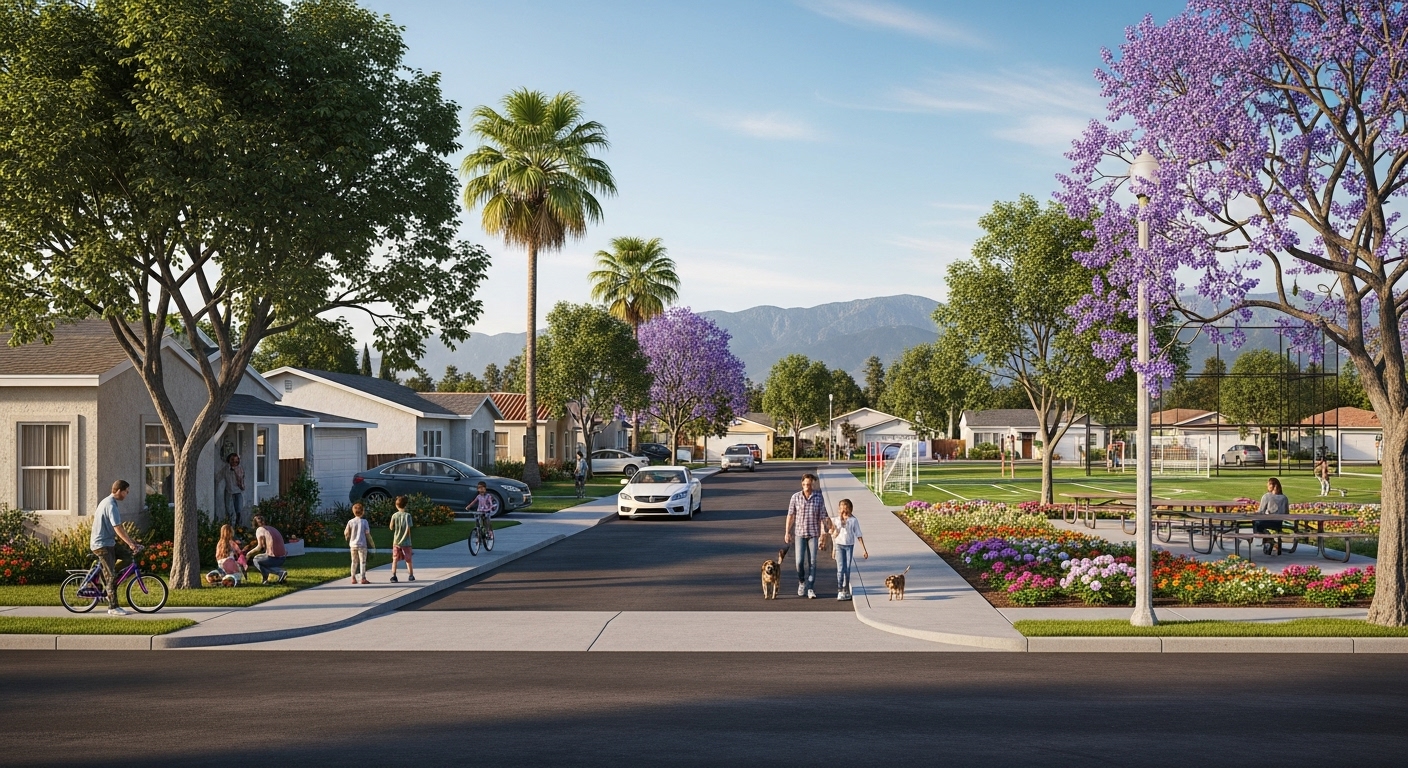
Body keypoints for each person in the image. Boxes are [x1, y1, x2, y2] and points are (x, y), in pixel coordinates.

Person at [90, 480, 144, 615]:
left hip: (108, 542)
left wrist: (132, 542)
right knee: (112, 576)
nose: (127, 494)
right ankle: (113, 607)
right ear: (119, 490)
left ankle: (104, 575)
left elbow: (120, 529)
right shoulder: (110, 505)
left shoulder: (109, 502)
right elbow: (118, 528)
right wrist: (130, 544)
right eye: (126, 491)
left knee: (128, 557)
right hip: (101, 544)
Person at [784, 473, 834, 599]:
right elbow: (791, 515)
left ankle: (810, 587)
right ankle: (802, 582)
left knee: (812, 562)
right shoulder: (795, 497)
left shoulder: (818, 497)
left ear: (813, 484)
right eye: (805, 484)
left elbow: (823, 516)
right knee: (799, 562)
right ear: (802, 484)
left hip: (813, 534)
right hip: (800, 533)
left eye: (809, 484)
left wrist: (825, 532)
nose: (807, 486)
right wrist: (787, 532)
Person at [830, 499, 869, 601]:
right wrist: (833, 549)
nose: (843, 510)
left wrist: (864, 550)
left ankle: (846, 589)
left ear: (850, 509)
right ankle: (840, 590)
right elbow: (834, 536)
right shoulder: (836, 520)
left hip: (849, 546)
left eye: (846, 508)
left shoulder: (853, 520)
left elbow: (858, 535)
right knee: (840, 568)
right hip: (839, 545)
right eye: (841, 508)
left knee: (847, 568)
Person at [244, 514, 288, 584]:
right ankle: (266, 579)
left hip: (274, 559)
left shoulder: (260, 530)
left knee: (256, 559)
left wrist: (248, 554)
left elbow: (259, 547)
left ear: (255, 523)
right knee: (262, 558)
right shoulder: (272, 528)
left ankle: (278, 573)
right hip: (282, 558)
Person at [1254, 477, 1290, 555]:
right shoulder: (1284, 498)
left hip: (1269, 521)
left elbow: (1261, 511)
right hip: (1279, 523)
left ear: (1271, 485)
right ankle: (1268, 540)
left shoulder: (1267, 496)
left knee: (1256, 523)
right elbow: (1287, 513)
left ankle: (1268, 538)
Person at [344, 502, 374, 585]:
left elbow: (346, 532)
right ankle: (363, 578)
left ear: (353, 511)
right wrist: (371, 542)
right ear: (363, 511)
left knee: (354, 561)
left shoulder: (350, 522)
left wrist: (347, 537)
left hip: (353, 545)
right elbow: (367, 533)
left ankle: (353, 578)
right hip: (362, 545)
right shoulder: (364, 522)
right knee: (362, 562)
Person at [389, 495, 415, 583]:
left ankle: (394, 576)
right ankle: (411, 575)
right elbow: (408, 529)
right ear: (406, 505)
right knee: (408, 559)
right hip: (406, 542)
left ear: (396, 505)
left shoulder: (394, 515)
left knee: (395, 559)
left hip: (396, 541)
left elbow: (391, 527)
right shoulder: (408, 516)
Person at [218, 453, 245, 525]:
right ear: (229, 460)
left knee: (239, 511)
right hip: (229, 492)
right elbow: (218, 477)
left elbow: (241, 480)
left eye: (236, 461)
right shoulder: (226, 469)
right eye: (232, 460)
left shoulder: (240, 468)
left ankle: (239, 528)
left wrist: (235, 471)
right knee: (229, 512)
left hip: (238, 492)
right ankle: (229, 528)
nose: (234, 463)